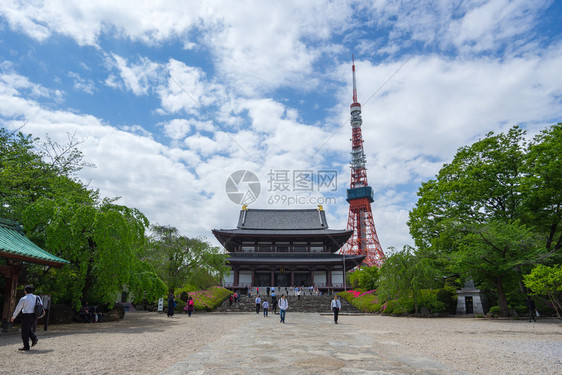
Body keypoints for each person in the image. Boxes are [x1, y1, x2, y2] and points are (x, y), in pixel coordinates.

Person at [11, 285, 41, 351]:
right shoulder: (37, 297)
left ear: (25, 291)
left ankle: (26, 346)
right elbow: (40, 306)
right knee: (27, 329)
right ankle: (34, 338)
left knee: (24, 331)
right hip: (34, 316)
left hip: (27, 316)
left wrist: (13, 317)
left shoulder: (24, 299)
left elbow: (18, 308)